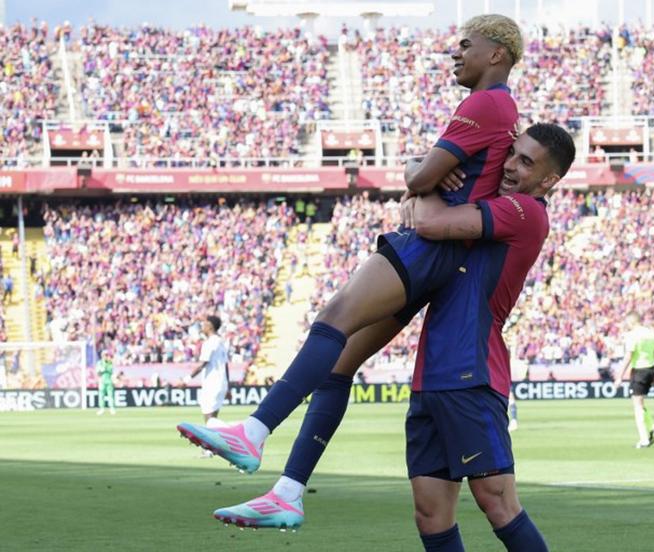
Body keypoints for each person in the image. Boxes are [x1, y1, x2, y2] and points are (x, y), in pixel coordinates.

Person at [178, 13, 524, 472]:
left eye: (465, 44)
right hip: (447, 257)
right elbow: (434, 178)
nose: (454, 53)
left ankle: (255, 431)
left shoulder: (485, 104)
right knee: (340, 364)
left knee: (332, 319)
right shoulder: (506, 109)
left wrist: (418, 172)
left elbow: (420, 176)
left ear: (496, 53)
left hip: (426, 246)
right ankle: (289, 491)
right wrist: (424, 177)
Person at [207, 124, 574, 551]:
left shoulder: (526, 212)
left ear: (549, 180)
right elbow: (428, 201)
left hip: (471, 374)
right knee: (431, 513)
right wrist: (420, 176)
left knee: (497, 502)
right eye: (512, 153)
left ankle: (262, 442)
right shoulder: (492, 202)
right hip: (433, 374)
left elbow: (432, 220)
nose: (510, 165)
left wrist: (423, 183)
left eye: (526, 162)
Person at [613, 313, 654, 448]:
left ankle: (644, 438)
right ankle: (652, 427)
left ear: (631, 322)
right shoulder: (650, 334)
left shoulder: (632, 335)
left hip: (639, 371)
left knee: (637, 405)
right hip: (650, 369)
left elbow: (629, 356)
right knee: (640, 402)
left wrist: (619, 376)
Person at [185, 315, 229, 425]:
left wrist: (186, 380)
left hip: (212, 384)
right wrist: (227, 387)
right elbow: (226, 366)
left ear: (209, 326)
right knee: (213, 419)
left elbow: (203, 364)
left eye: (204, 324)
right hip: (220, 383)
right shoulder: (221, 342)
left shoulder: (210, 343)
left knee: (209, 421)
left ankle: (228, 437)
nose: (202, 327)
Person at [95, 350, 116, 415]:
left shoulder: (110, 363)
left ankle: (112, 408)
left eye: (107, 355)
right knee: (101, 396)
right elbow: (98, 372)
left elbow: (111, 371)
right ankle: (102, 409)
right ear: (102, 356)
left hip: (109, 381)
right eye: (105, 355)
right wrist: (101, 370)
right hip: (102, 381)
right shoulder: (99, 363)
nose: (106, 356)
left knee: (110, 396)